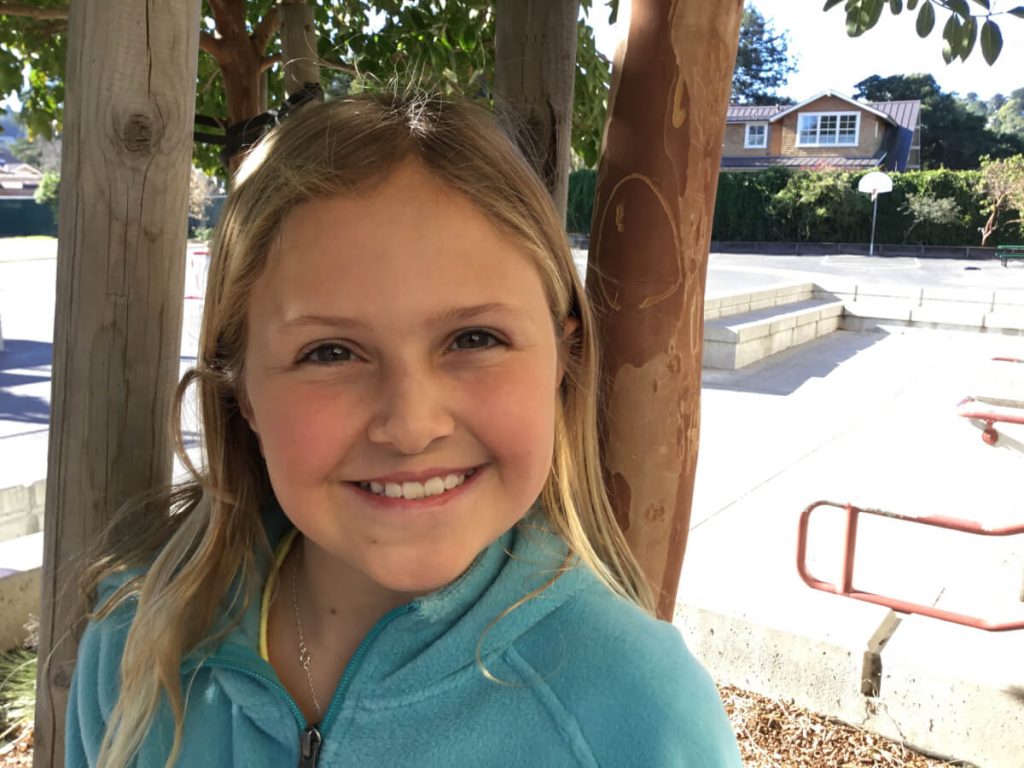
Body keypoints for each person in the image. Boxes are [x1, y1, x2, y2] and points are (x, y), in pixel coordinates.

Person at [66, 90, 741, 767]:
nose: (412, 427)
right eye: (330, 352)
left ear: (562, 360)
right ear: (242, 391)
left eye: (474, 338)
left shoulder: (639, 715)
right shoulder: (139, 641)